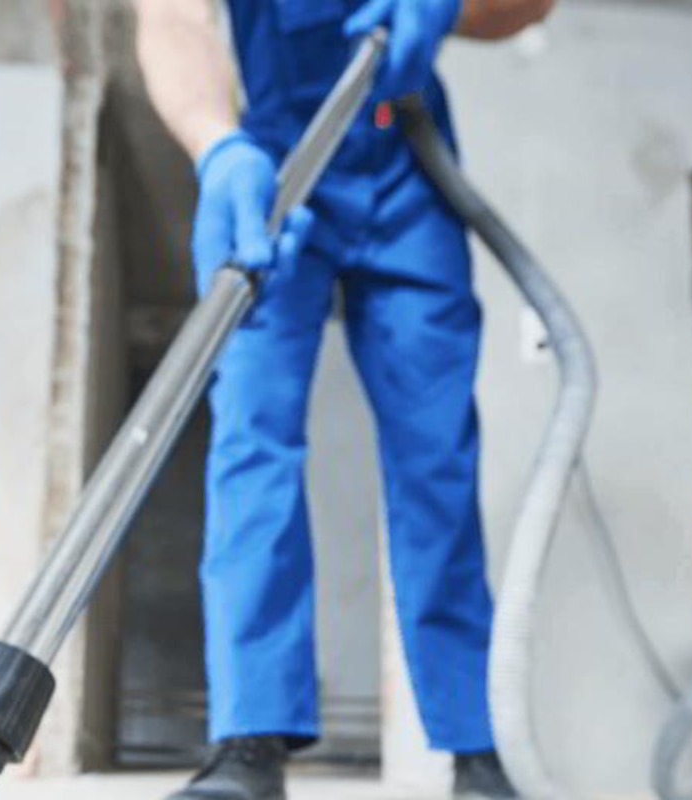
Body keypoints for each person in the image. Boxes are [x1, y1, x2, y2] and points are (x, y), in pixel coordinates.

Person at [133, 0, 556, 797]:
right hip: (278, 163)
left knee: (437, 457)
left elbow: (529, 6)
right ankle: (248, 741)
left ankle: (475, 747)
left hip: (407, 164)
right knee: (251, 437)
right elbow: (172, 17)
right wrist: (215, 146)